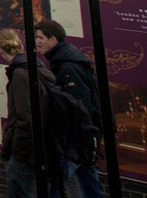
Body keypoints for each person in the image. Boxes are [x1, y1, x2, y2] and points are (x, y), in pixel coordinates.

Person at [36, 19, 105, 198]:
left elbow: (80, 106)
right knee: (87, 183)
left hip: (73, 140)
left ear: (53, 39)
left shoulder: (68, 67)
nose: (37, 42)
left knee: (56, 185)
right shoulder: (67, 60)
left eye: (41, 37)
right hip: (81, 138)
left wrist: (71, 137)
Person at [0, 28, 55, 198]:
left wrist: (19, 152)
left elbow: (26, 117)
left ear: (0, 50)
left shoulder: (20, 73)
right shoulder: (35, 65)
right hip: (43, 147)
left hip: (27, 153)